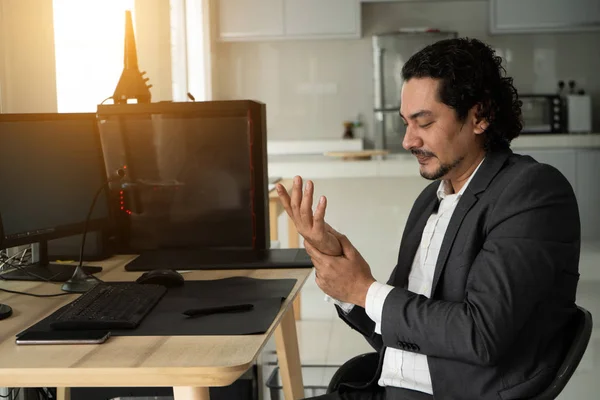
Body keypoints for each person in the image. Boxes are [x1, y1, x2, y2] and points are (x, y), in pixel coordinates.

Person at [276, 38, 580, 400]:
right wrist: (339, 267)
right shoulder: (430, 200)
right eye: (406, 123)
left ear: (479, 115)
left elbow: (481, 336)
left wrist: (364, 289)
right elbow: (401, 327)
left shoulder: (532, 191)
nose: (407, 140)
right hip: (392, 388)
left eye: (424, 122)